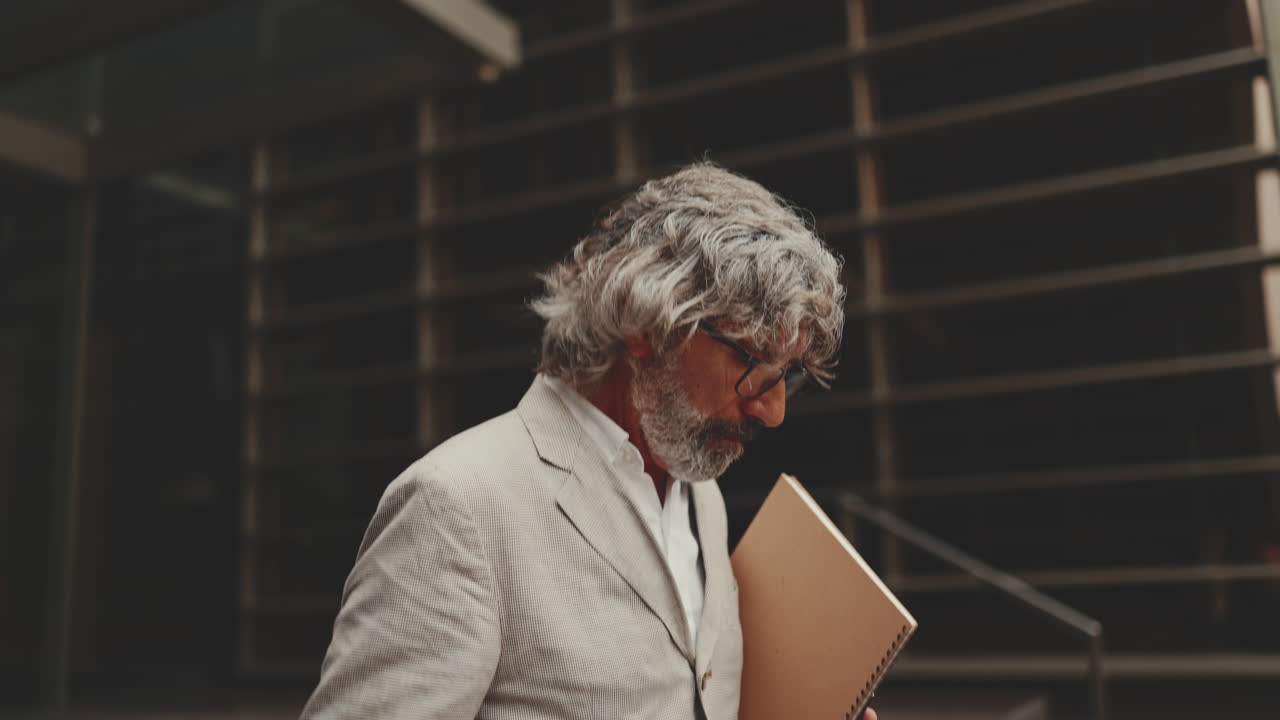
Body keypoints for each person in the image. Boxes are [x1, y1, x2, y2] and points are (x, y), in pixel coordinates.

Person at [299, 162, 865, 719]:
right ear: (646, 325)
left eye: (785, 375)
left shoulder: (701, 496)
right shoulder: (455, 506)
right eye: (754, 364)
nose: (773, 410)